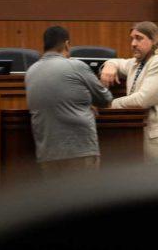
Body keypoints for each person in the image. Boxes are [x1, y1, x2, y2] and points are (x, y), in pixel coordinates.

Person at [25, 25, 113, 176]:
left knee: (57, 199)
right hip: (79, 150)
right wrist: (87, 103)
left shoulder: (30, 72)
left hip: (47, 153)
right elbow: (105, 99)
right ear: (66, 44)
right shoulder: (76, 66)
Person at [100, 21, 158, 163]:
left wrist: (109, 105)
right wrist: (110, 65)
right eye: (132, 38)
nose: (133, 43)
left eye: (139, 38)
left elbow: (142, 100)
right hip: (154, 143)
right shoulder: (140, 61)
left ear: (154, 39)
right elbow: (119, 62)